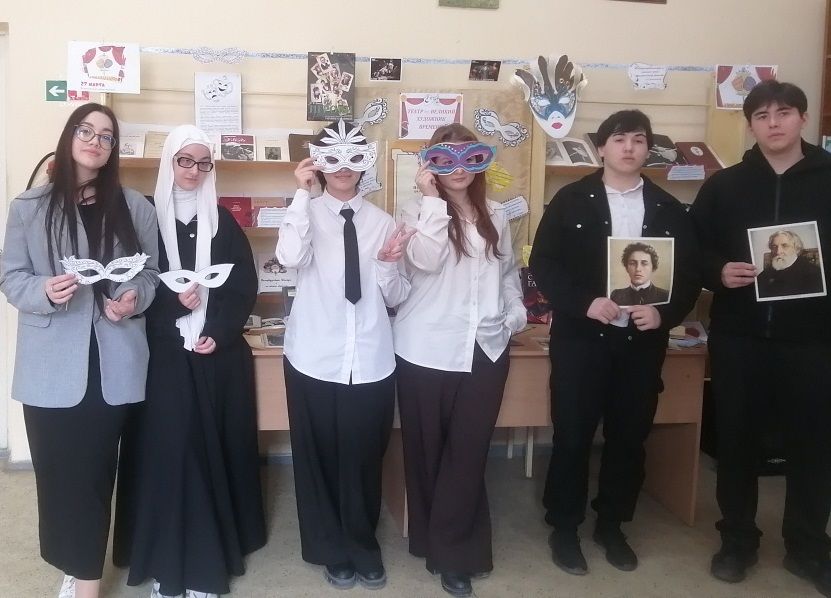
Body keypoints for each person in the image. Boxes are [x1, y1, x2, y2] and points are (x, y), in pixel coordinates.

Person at [529, 110, 700, 576]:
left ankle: (612, 525)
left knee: (629, 437)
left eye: (638, 140)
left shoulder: (669, 208)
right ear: (601, 147)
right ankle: (565, 526)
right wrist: (583, 302)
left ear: (648, 149)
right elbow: (544, 264)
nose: (628, 147)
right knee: (572, 435)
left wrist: (665, 314)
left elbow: (688, 276)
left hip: (641, 345)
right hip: (581, 341)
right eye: (619, 139)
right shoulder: (570, 200)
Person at [0, 103, 159, 598]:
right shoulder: (29, 207)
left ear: (113, 149)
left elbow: (151, 276)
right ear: (69, 137)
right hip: (50, 365)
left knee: (95, 472)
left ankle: (87, 578)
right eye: (86, 131)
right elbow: (11, 276)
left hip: (114, 361)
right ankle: (74, 562)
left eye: (106, 136)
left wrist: (132, 298)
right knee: (58, 474)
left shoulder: (135, 207)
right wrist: (44, 290)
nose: (95, 141)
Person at [690, 80, 831, 597]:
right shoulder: (725, 186)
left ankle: (809, 546)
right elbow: (694, 249)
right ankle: (737, 541)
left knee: (814, 445)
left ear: (803, 118)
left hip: (814, 339)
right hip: (741, 337)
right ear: (750, 124)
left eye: (784, 112)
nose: (774, 123)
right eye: (763, 115)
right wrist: (717, 272)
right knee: (737, 442)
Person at [114, 125, 266, 598]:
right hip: (161, 355)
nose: (194, 171)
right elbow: (129, 280)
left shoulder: (222, 221)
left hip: (214, 355)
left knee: (210, 446)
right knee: (172, 451)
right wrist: (172, 305)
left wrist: (217, 331)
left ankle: (209, 552)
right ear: (170, 162)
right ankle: (170, 557)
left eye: (203, 163)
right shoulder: (142, 217)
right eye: (185, 160)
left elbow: (242, 286)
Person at [275, 120, 412, 591]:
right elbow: (290, 258)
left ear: (365, 163)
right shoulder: (305, 213)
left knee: (363, 456)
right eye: (332, 158)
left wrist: (389, 265)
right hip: (314, 354)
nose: (343, 168)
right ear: (318, 163)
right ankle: (329, 549)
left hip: (370, 358)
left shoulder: (383, 222)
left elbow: (395, 295)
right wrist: (301, 193)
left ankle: (362, 545)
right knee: (316, 457)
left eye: (353, 157)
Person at [393, 124, 526, 597]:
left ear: (481, 160)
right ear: (430, 164)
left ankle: (455, 556)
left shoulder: (496, 213)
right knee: (426, 450)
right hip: (425, 348)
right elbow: (425, 261)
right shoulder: (413, 211)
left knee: (467, 453)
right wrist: (431, 200)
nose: (458, 168)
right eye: (444, 158)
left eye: (468, 157)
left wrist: (514, 313)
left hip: (485, 347)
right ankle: (429, 540)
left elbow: (508, 272)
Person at [757, 229, 824, 298]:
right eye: (774, 246)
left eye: (785, 246)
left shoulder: (813, 273)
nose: (778, 252)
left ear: (796, 248)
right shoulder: (769, 270)